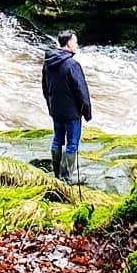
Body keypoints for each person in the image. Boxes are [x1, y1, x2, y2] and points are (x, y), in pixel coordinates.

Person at [41, 30, 91, 184]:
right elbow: (81, 90)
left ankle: (57, 174)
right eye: (75, 42)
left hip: (56, 110)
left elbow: (45, 87)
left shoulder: (48, 62)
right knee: (72, 143)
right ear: (69, 43)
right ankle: (66, 178)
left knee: (57, 140)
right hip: (71, 113)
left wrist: (50, 106)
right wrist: (86, 111)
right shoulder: (72, 65)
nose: (76, 45)